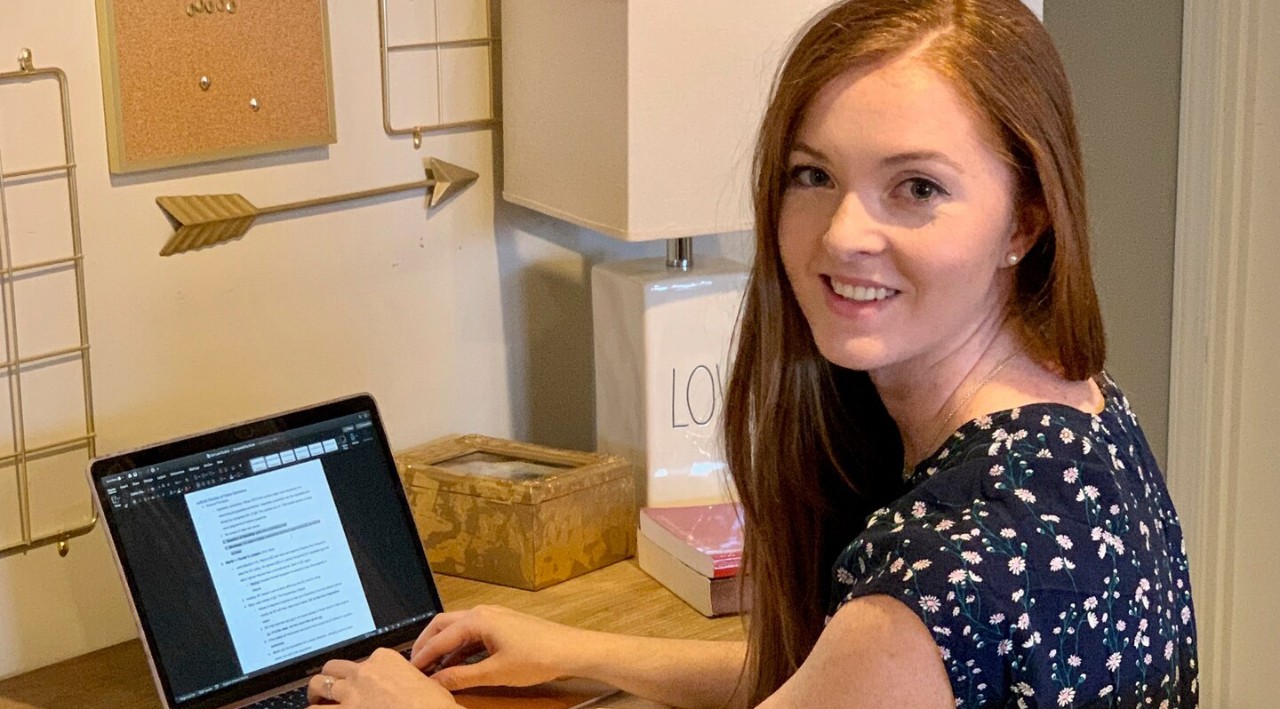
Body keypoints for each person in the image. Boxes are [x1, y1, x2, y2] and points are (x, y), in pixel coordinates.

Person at [307, 0, 1198, 706]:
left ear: (1026, 221)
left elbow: (874, 665)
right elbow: (830, 685)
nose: (844, 233)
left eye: (917, 187)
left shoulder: (937, 578)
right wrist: (576, 650)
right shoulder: (1076, 414)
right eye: (813, 175)